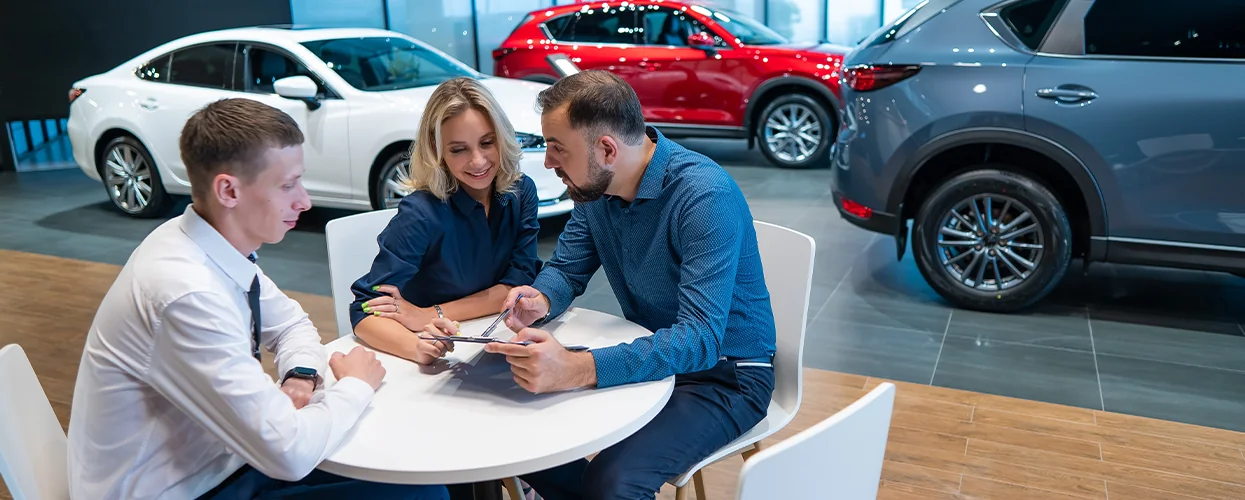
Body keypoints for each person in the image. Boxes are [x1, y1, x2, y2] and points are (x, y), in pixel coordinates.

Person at [66, 98, 449, 500]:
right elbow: (289, 453)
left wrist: (301, 376)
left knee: (415, 475)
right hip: (182, 488)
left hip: (223, 462)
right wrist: (355, 385)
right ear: (228, 190)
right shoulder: (186, 292)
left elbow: (292, 324)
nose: (304, 201)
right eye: (288, 185)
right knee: (424, 494)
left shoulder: (202, 245)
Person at [482, 70, 777, 499]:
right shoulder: (595, 191)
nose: (547, 162)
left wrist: (579, 369)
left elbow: (700, 340)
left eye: (557, 148)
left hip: (727, 376)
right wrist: (540, 297)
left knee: (613, 482)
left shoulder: (703, 195)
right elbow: (566, 269)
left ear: (606, 149)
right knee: (514, 432)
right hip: (656, 353)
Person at [348, 76, 541, 365]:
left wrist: (431, 312)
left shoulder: (521, 192)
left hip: (497, 343)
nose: (478, 161)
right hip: (437, 353)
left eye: (487, 143)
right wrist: (416, 346)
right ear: (436, 151)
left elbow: (517, 283)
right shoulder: (420, 213)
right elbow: (364, 310)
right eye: (458, 149)